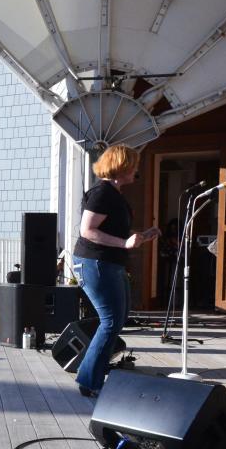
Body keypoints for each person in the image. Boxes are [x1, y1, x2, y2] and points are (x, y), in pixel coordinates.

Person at [73, 144, 159, 397]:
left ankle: (92, 376)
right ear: (120, 166)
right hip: (97, 263)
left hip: (110, 262)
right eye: (132, 166)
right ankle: (89, 381)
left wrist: (141, 236)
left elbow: (112, 230)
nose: (136, 171)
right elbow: (87, 231)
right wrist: (124, 243)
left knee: (116, 320)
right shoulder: (102, 193)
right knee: (110, 321)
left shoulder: (114, 194)